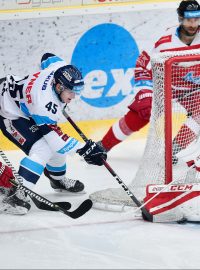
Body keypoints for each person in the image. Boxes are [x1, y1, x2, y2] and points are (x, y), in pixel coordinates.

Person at [92, 0, 200, 222]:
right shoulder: (165, 43)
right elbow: (143, 65)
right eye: (189, 18)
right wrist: (145, 91)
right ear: (180, 18)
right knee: (142, 113)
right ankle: (103, 146)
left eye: (197, 18)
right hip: (165, 85)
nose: (193, 23)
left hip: (193, 89)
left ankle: (173, 151)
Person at [0, 53, 107, 215]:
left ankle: (57, 180)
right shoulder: (44, 103)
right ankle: (16, 195)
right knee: (43, 148)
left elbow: (47, 57)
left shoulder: (59, 69)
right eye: (71, 92)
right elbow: (57, 141)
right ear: (59, 87)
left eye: (77, 90)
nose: (74, 96)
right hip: (8, 112)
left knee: (52, 146)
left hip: (21, 104)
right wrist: (85, 149)